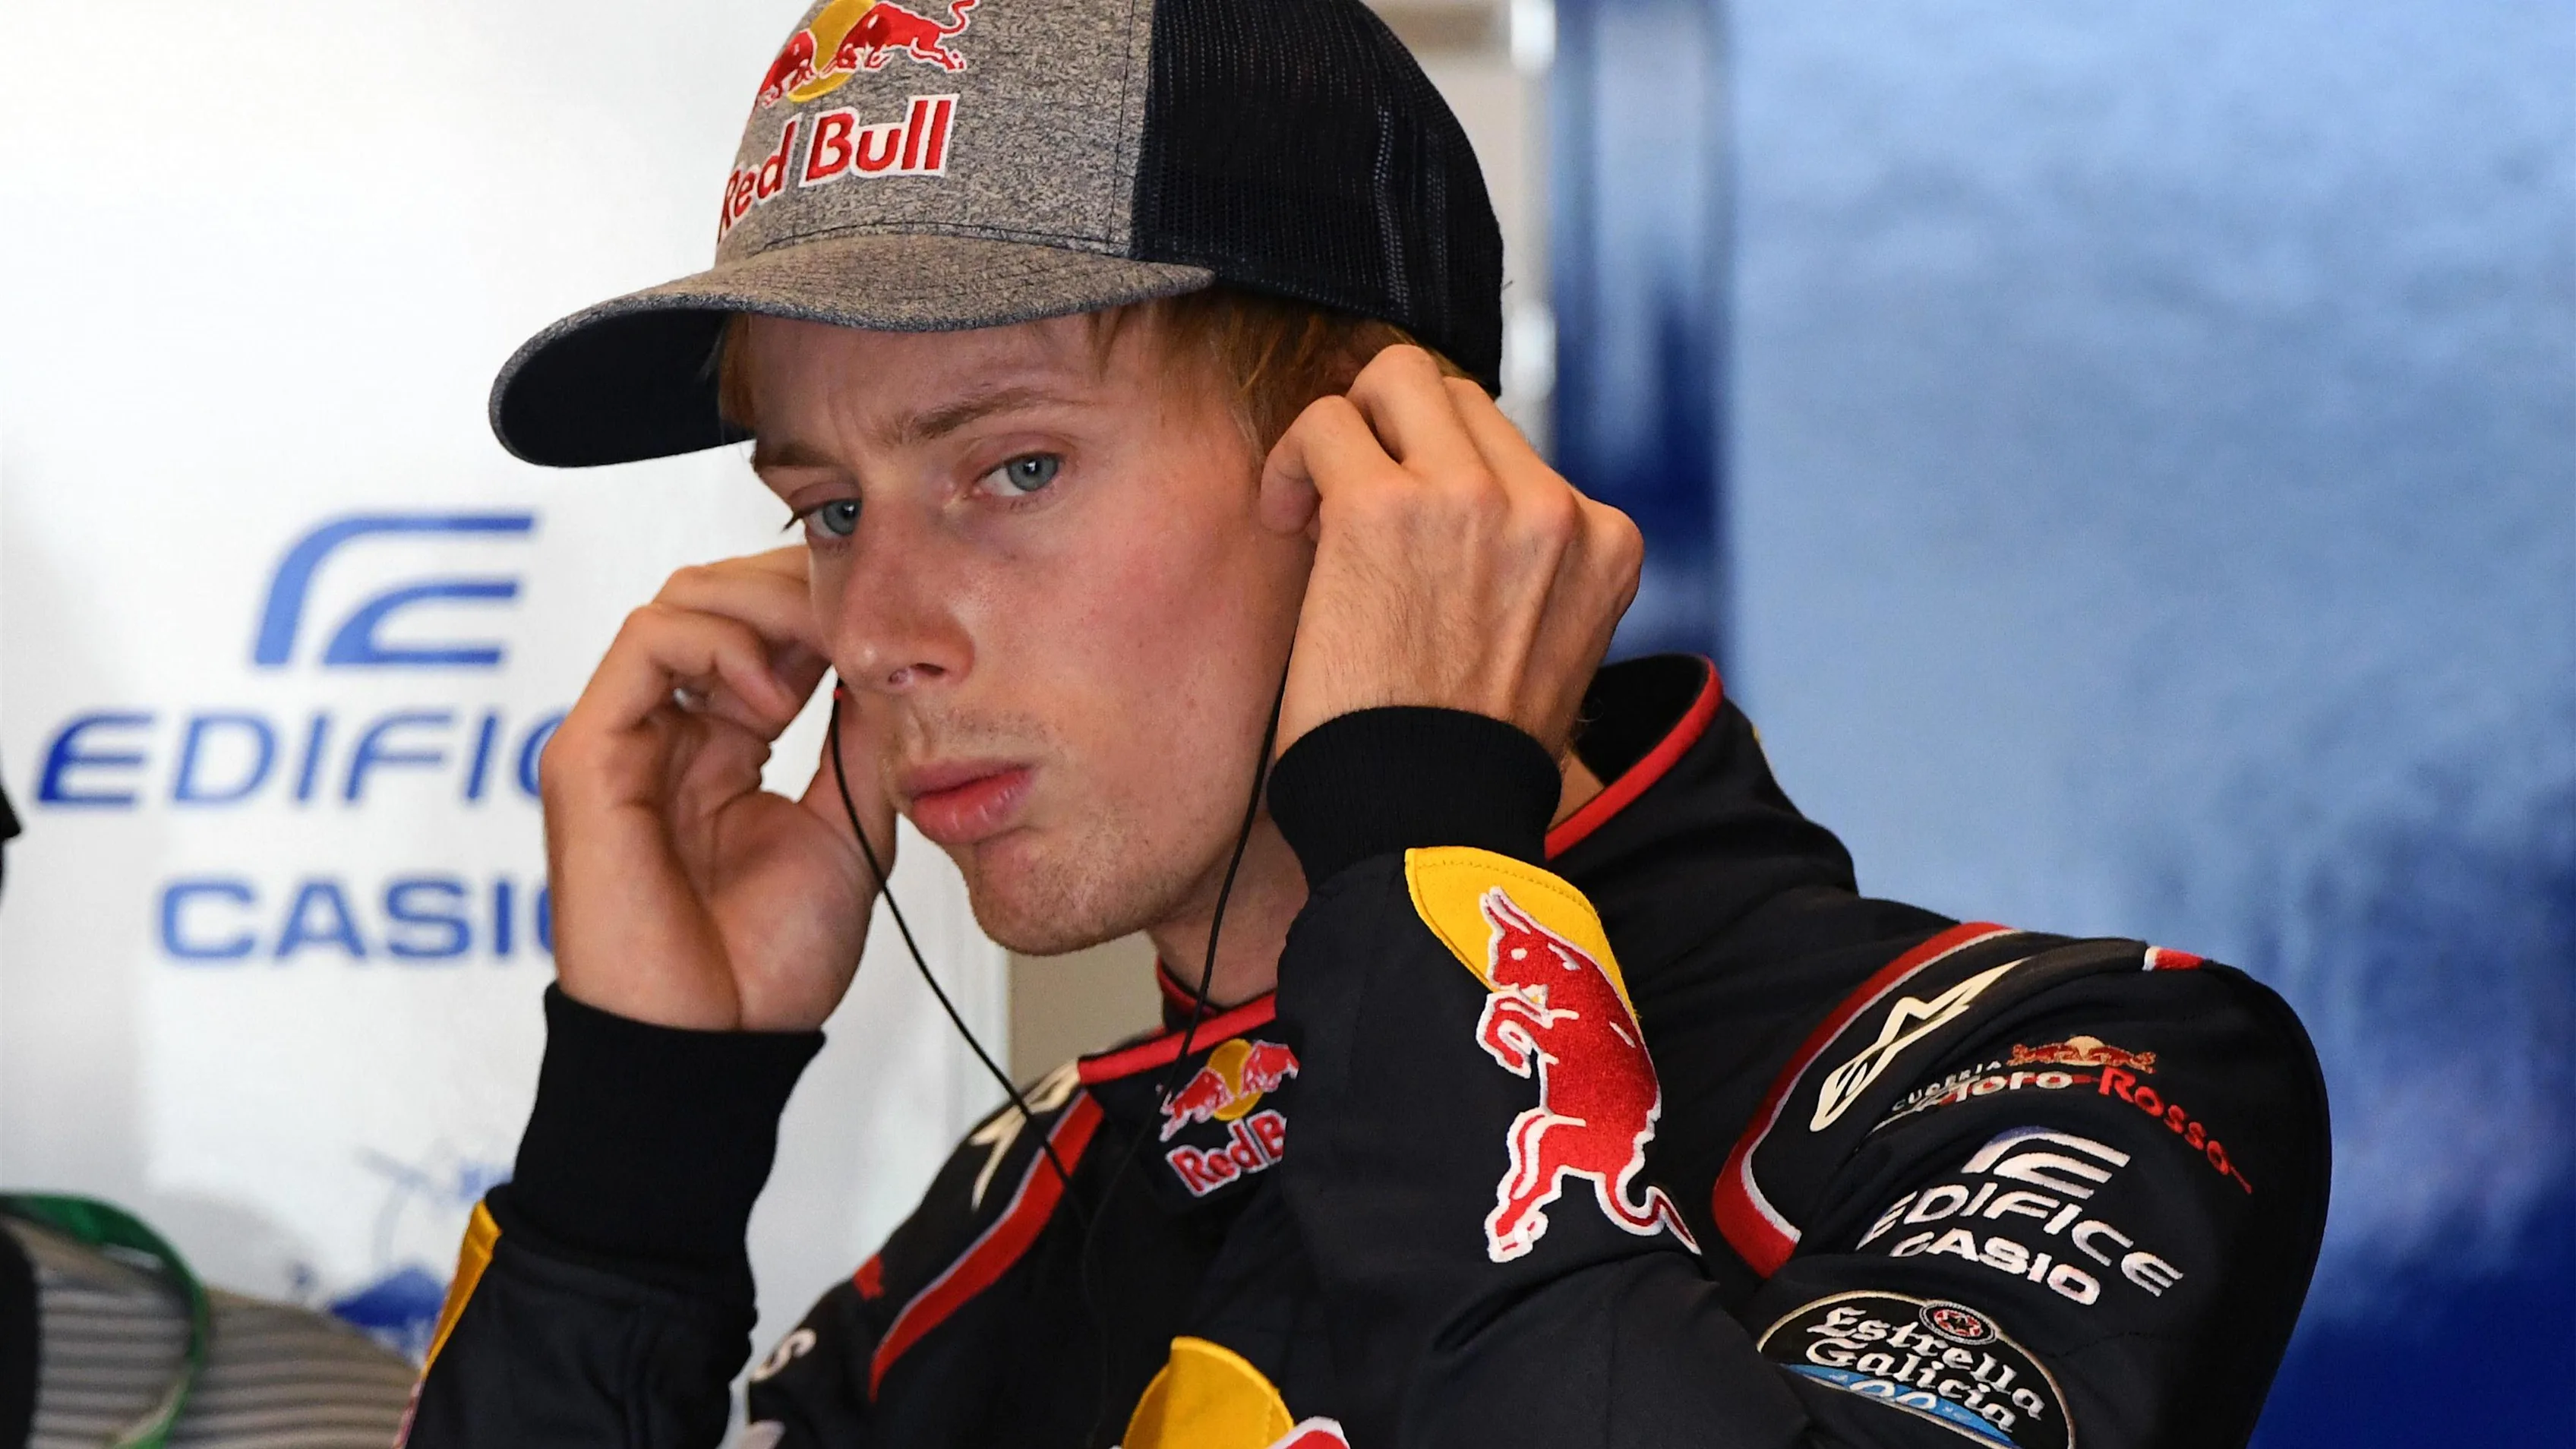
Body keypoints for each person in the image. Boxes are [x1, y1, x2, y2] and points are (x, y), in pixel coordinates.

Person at [402, 0, 2330, 1444]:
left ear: (1400, 471)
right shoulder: (1011, 1225)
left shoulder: (2054, 1076)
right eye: (828, 510)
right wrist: (640, 1152)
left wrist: (1419, 840)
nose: (881, 633)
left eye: (1012, 469)